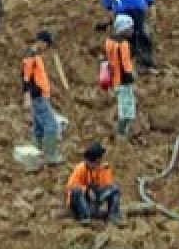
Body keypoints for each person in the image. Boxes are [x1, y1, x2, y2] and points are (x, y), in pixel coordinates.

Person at [21, 30, 63, 168]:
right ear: (41, 42)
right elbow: (26, 78)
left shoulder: (36, 56)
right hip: (37, 97)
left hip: (40, 95)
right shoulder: (30, 56)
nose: (47, 48)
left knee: (38, 129)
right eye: (46, 44)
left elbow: (38, 76)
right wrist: (27, 96)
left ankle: (33, 160)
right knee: (51, 125)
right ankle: (51, 156)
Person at [66, 142, 122, 224]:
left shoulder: (102, 168)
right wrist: (87, 190)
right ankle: (85, 217)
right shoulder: (80, 169)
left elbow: (107, 185)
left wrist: (105, 172)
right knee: (77, 190)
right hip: (79, 203)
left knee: (115, 189)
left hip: (94, 201)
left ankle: (113, 215)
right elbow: (70, 187)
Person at [104, 14, 137, 137]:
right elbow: (125, 64)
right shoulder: (123, 44)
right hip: (123, 81)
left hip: (115, 80)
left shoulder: (110, 42)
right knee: (127, 112)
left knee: (123, 108)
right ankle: (121, 133)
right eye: (130, 28)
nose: (132, 30)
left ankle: (122, 132)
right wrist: (131, 79)